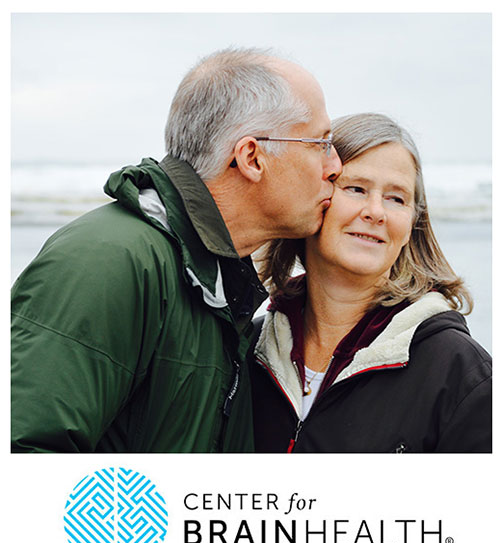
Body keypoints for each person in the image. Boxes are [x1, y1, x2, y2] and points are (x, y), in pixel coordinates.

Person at [11, 48, 342, 453]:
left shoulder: (215, 279)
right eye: (320, 143)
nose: (335, 166)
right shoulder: (110, 262)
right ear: (252, 157)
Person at [251, 112, 491, 453]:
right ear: (315, 199)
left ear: (411, 225)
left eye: (396, 198)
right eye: (356, 188)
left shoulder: (461, 372)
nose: (376, 211)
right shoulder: (250, 348)